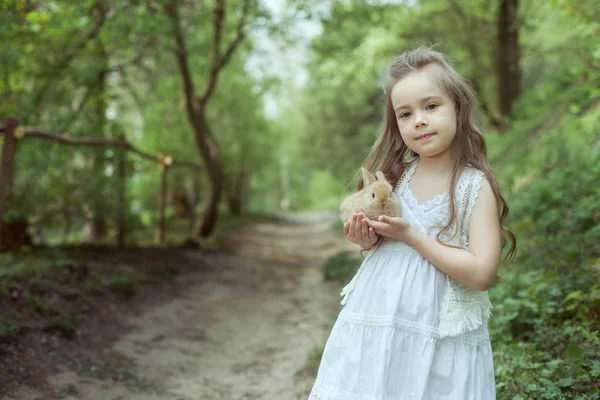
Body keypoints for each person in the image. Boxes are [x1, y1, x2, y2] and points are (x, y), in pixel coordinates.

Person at [308, 46, 517, 400]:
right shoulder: (394, 179)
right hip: (378, 325)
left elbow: (482, 273)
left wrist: (410, 234)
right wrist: (369, 241)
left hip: (436, 335)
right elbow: (387, 249)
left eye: (431, 106)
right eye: (405, 114)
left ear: (458, 108)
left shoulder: (473, 186)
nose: (418, 120)